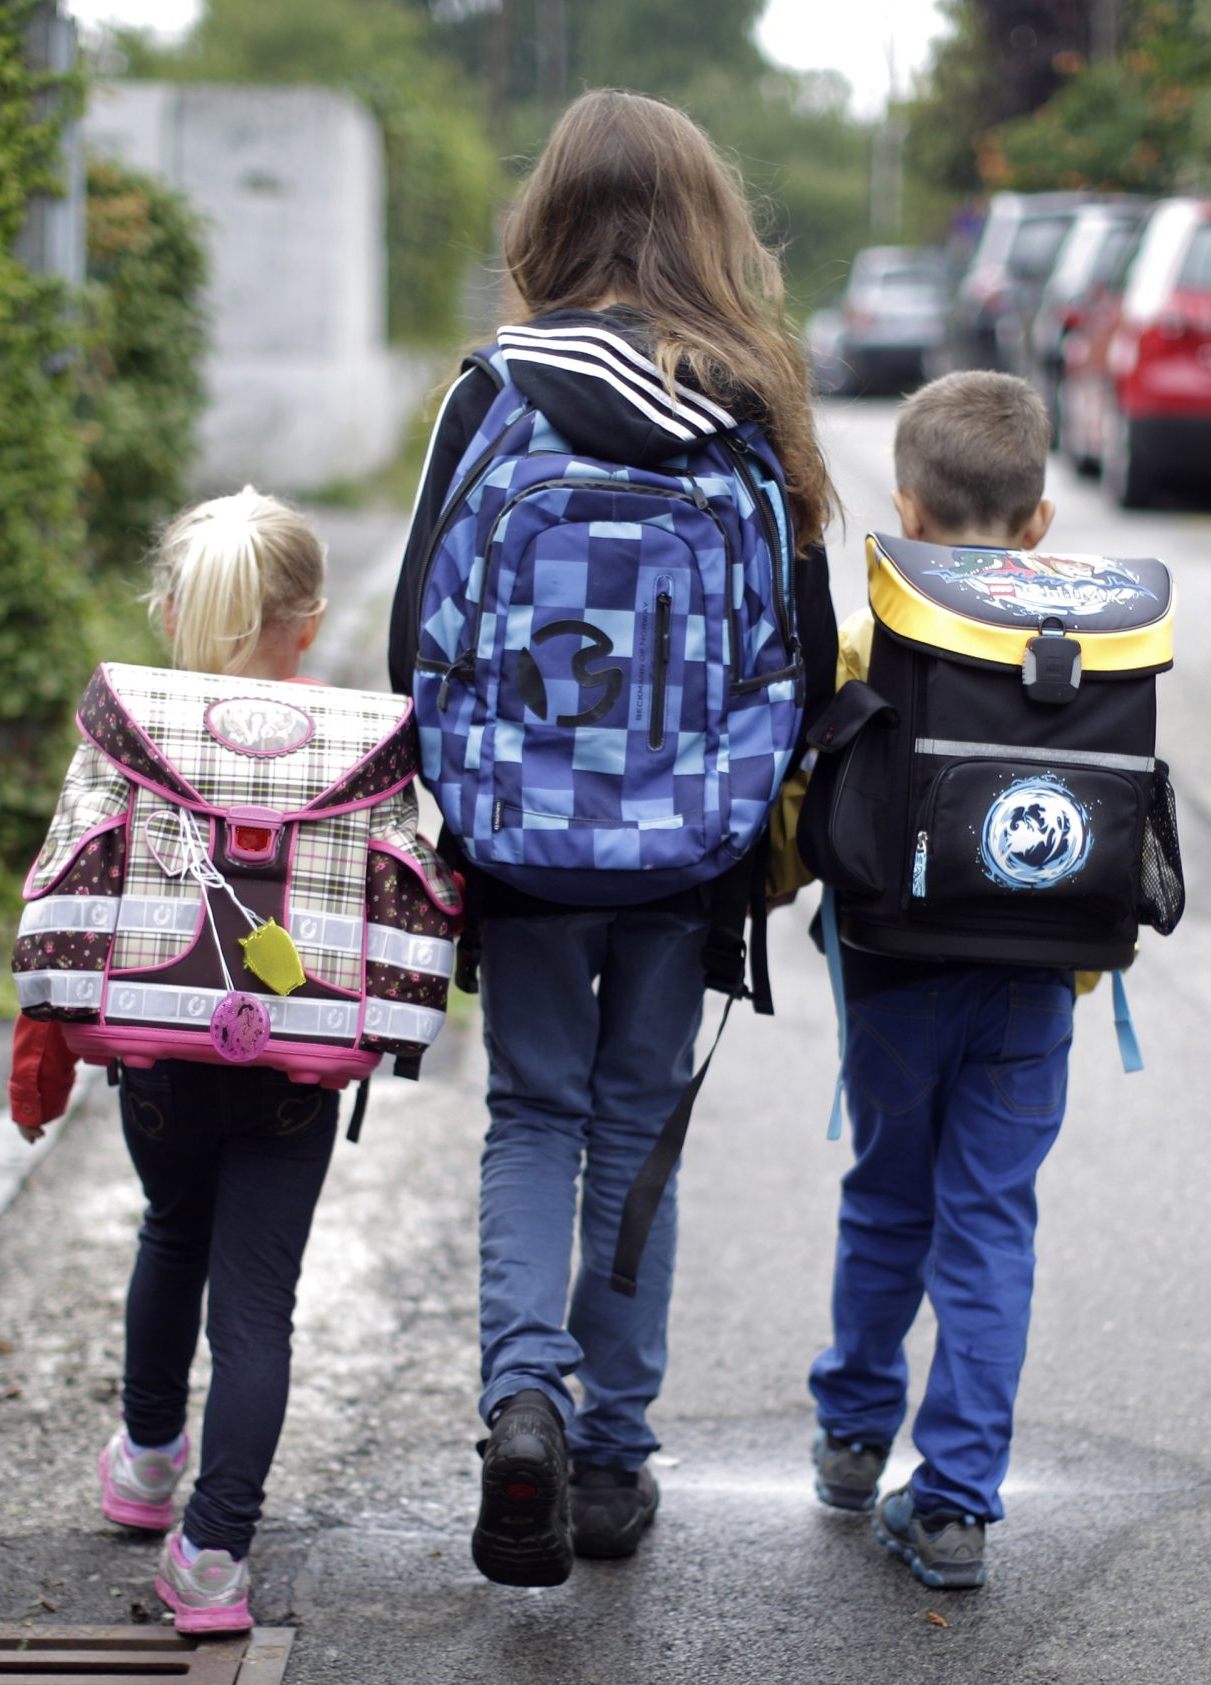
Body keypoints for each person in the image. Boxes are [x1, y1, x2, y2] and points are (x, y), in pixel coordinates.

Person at [387, 90, 836, 1585]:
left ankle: (525, 1398)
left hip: (519, 836)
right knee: (640, 1126)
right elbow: (806, 640)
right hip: (688, 840)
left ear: (547, 219)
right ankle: (615, 1460)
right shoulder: (748, 397)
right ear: (708, 221)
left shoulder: (494, 390)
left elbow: (414, 636)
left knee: (532, 1113)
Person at [9, 488, 337, 1634]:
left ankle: (148, 1459)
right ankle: (212, 1555)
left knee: (172, 1231)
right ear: (312, 619)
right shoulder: (349, 750)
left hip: (157, 1063)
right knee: (258, 1306)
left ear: (166, 612)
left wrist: (39, 1058)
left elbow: (64, 891)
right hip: (294, 1067)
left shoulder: (130, 731)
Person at [778, 371, 1082, 1591]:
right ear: (1039, 521)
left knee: (887, 1193)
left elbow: (813, 797)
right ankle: (953, 1500)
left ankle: (853, 1437)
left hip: (895, 970)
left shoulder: (875, 631)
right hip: (1035, 982)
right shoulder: (1091, 635)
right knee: (989, 1222)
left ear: (903, 505)